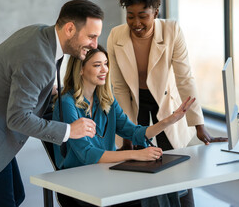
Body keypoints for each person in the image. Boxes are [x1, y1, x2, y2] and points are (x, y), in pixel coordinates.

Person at [0, 0, 104, 207]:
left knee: (16, 196)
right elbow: (18, 118)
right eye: (91, 36)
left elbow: (21, 78)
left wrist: (46, 91)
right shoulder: (37, 57)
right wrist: (69, 131)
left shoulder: (41, 33)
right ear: (70, 29)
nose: (94, 44)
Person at [107, 0, 227, 206]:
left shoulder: (172, 31)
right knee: (138, 167)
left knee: (178, 168)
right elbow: (119, 87)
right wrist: (126, 133)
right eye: (130, 16)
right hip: (134, 104)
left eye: (143, 16)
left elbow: (185, 79)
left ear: (156, 11)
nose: (136, 23)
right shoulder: (115, 36)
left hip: (166, 103)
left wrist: (198, 125)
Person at [52, 45, 195, 207]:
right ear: (80, 70)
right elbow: (87, 154)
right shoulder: (66, 103)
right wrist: (135, 154)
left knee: (162, 188)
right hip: (79, 180)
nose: (104, 69)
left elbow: (134, 132)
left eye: (106, 63)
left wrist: (170, 120)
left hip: (107, 174)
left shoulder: (107, 100)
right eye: (97, 65)